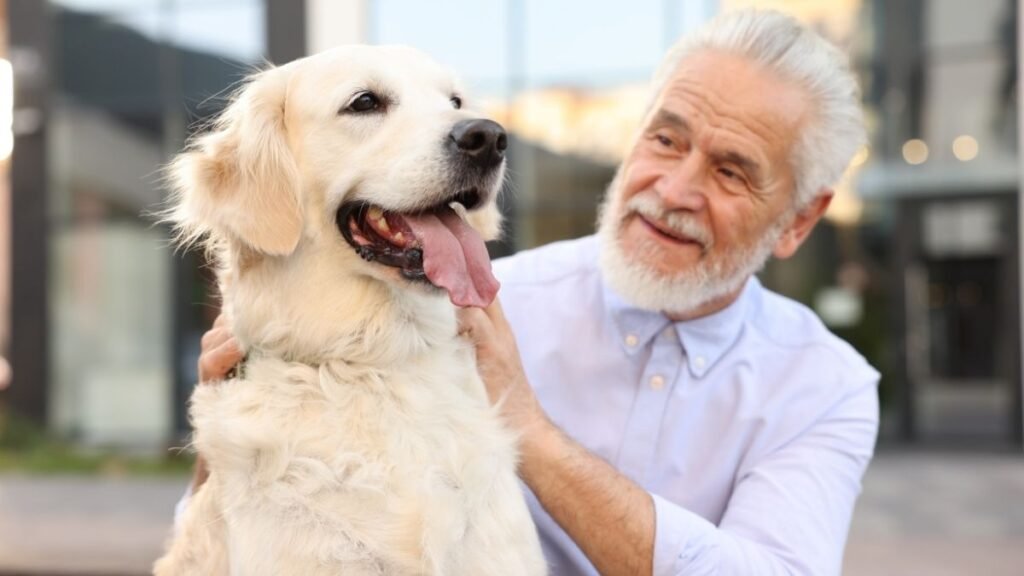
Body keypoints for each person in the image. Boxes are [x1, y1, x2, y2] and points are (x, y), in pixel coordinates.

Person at [191, 9, 879, 576]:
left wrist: (530, 431)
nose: (674, 191)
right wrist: (238, 437)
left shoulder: (825, 388)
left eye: (731, 172)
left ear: (798, 222)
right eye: (666, 140)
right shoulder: (440, 300)